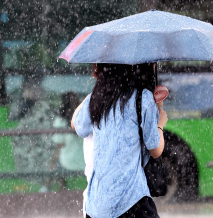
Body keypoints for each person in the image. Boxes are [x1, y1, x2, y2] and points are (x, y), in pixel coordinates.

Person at [71, 63, 168, 218]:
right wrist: (160, 123)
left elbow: (78, 125)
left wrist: (95, 92)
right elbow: (155, 149)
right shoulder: (142, 98)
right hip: (131, 201)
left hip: (96, 206)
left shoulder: (98, 97)